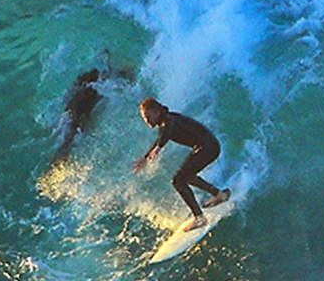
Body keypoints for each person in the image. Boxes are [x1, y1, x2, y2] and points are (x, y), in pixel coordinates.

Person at [134, 98, 229, 230]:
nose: (147, 121)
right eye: (145, 118)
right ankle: (219, 195)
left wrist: (159, 148)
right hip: (207, 146)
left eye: (148, 117)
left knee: (178, 180)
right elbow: (159, 138)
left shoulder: (168, 120)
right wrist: (145, 157)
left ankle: (199, 218)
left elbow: (166, 133)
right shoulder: (166, 119)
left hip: (207, 147)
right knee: (186, 177)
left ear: (156, 112)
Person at [55, 59, 134, 161]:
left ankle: (58, 163)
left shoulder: (85, 83)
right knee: (71, 137)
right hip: (80, 110)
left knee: (68, 137)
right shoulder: (101, 86)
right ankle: (59, 164)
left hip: (72, 109)